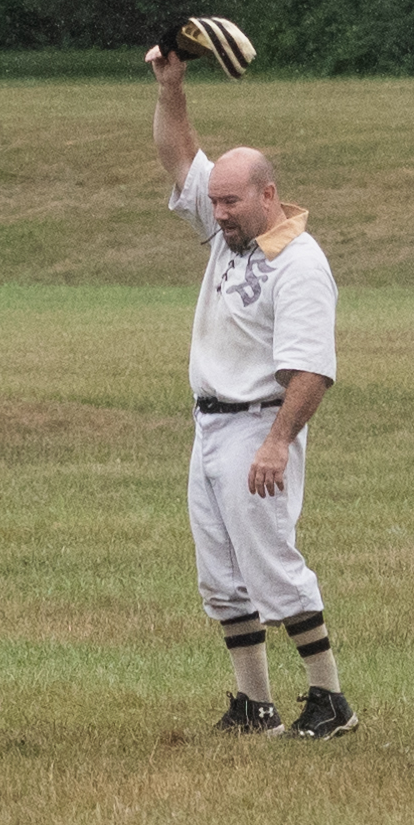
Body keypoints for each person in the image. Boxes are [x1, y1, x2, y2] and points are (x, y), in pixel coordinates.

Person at [144, 48, 351, 735]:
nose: (218, 212)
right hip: (210, 426)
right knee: (221, 579)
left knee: (270, 565)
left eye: (230, 201)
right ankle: (255, 704)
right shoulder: (229, 237)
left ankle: (329, 699)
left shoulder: (299, 264)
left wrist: (277, 444)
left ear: (269, 195)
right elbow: (180, 156)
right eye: (216, 202)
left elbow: (312, 370)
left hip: (260, 424)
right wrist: (172, 86)